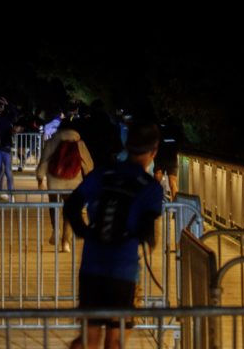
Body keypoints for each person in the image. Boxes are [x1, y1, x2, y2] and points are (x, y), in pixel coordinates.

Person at [64, 122, 164, 349]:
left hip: (92, 266)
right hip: (123, 270)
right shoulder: (151, 188)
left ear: (127, 146)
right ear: (154, 151)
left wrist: (85, 232)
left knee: (88, 338)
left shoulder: (102, 174)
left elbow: (71, 206)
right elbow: (148, 234)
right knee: (115, 340)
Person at [36, 119, 93, 252]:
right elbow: (89, 165)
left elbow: (44, 161)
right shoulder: (79, 143)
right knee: (69, 211)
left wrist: (40, 178)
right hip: (73, 182)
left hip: (54, 181)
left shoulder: (53, 141)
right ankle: (65, 243)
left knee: (53, 207)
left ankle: (56, 230)